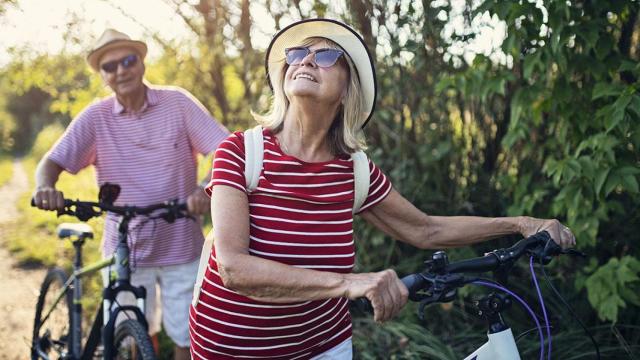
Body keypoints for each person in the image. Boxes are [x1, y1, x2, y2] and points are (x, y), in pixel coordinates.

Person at [188, 18, 576, 360]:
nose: (306, 59)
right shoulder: (241, 151)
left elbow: (426, 230)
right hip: (231, 348)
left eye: (326, 57)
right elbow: (234, 268)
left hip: (325, 345)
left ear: (346, 90)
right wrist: (351, 282)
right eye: (298, 53)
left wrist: (522, 224)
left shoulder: (355, 170)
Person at [32, 28, 229, 359]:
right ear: (102, 75)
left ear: (142, 62)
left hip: (181, 244)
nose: (120, 70)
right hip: (125, 247)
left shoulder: (177, 103)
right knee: (130, 340)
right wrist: (45, 187)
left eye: (128, 60)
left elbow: (225, 149)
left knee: (190, 336)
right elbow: (51, 162)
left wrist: (205, 188)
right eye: (110, 67)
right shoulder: (96, 117)